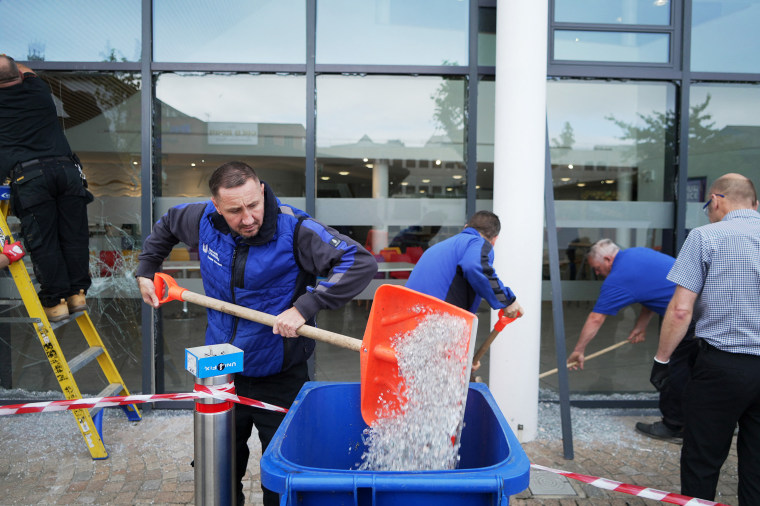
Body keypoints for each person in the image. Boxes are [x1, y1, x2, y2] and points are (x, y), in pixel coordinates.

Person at [136, 161, 377, 506]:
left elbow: (358, 261)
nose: (248, 218)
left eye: (253, 205)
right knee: (217, 467)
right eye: (235, 210)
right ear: (216, 206)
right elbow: (168, 224)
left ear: (262, 191)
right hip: (220, 371)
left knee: (279, 477)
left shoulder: (295, 230)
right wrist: (147, 268)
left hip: (278, 373)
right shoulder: (201, 219)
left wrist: (304, 307)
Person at [654, 173, 760, 504]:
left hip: (722, 366)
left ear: (716, 200)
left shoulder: (704, 237)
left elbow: (681, 311)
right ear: (755, 205)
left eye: (708, 206)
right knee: (757, 462)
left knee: (702, 458)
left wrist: (662, 360)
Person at [567, 239, 698, 444]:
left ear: (608, 259)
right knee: (697, 370)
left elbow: (596, 318)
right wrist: (641, 324)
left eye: (597, 269)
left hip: (689, 317)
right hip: (703, 310)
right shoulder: (636, 255)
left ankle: (673, 426)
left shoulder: (618, 277)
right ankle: (713, 422)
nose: (598, 274)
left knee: (674, 371)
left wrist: (578, 351)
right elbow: (651, 290)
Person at [0, 55, 91, 322]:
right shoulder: (38, 89)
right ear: (17, 73)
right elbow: (26, 70)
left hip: (29, 177)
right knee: (74, 237)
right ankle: (77, 295)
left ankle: (55, 301)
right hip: (67, 171)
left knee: (44, 241)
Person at [405, 210, 523, 318]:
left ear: (465, 227)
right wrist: (506, 300)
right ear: (494, 239)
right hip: (435, 318)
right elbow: (474, 266)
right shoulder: (478, 242)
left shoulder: (439, 247)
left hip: (409, 315)